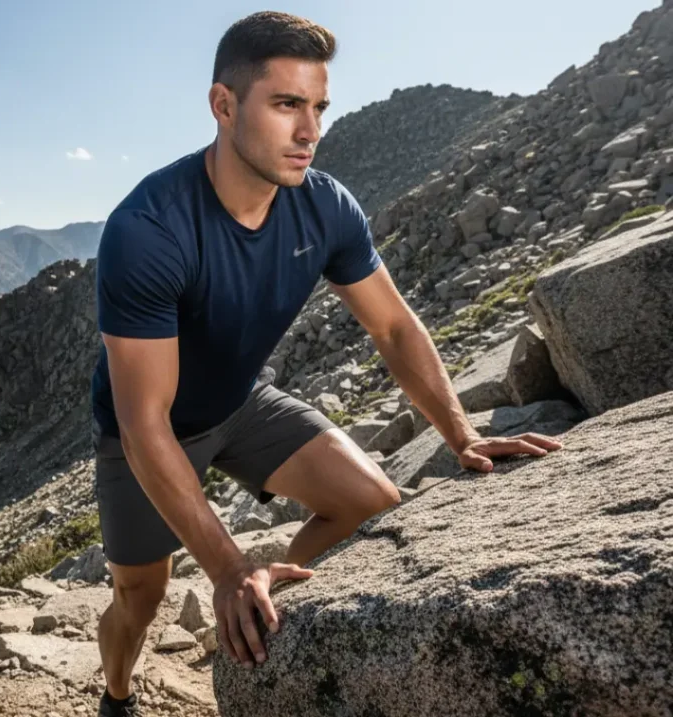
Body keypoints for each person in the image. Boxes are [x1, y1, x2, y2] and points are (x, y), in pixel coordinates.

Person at [89, 10, 563, 717]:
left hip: (244, 402)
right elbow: (144, 422)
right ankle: (116, 695)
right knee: (140, 597)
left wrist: (460, 434)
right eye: (286, 105)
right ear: (224, 105)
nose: (310, 130)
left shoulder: (326, 206)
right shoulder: (149, 230)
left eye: (318, 108)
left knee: (371, 501)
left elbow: (394, 325)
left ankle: (256, 607)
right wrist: (223, 566)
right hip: (149, 430)